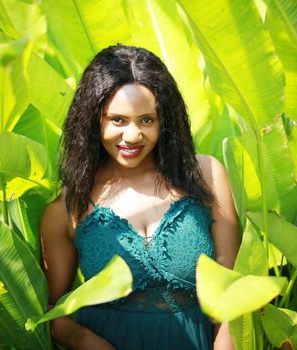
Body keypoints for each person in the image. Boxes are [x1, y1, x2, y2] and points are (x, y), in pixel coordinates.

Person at [40, 44, 239, 350]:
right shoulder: (68, 207)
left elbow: (232, 293)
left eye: (146, 120)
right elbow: (55, 314)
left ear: (165, 121)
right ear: (94, 120)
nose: (132, 136)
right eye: (117, 120)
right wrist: (83, 340)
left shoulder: (206, 175)